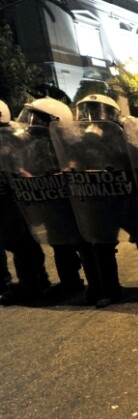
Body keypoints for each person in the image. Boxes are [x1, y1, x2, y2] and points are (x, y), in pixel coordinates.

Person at [67, 93, 138, 306]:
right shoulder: (81, 142)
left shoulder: (124, 138)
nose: (93, 115)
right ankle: (110, 290)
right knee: (102, 245)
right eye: (89, 110)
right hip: (100, 200)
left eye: (97, 109)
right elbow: (73, 164)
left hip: (127, 199)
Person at [14, 97, 100, 304]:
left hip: (73, 203)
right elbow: (26, 166)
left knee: (84, 244)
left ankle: (97, 285)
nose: (29, 122)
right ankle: (69, 281)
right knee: (59, 244)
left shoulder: (70, 143)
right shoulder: (31, 145)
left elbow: (75, 167)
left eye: (36, 118)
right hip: (49, 202)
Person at [0, 99, 51, 306]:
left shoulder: (12, 138)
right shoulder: (13, 137)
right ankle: (34, 282)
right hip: (9, 200)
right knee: (21, 243)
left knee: (23, 244)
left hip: (14, 198)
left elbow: (22, 166)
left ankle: (33, 283)